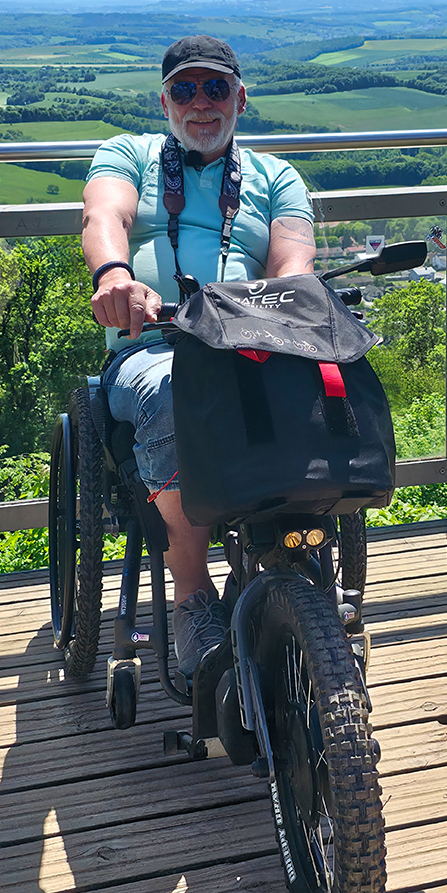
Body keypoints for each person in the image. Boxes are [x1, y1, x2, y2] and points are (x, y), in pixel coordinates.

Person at [81, 34, 318, 678]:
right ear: (164, 102)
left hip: (253, 342)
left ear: (240, 98)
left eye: (215, 88)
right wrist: (113, 275)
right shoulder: (129, 155)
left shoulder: (275, 177)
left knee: (327, 387)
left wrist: (286, 303)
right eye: (184, 90)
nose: (200, 104)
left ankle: (301, 567)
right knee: (173, 391)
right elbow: (105, 215)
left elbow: (293, 263)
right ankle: (191, 595)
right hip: (154, 347)